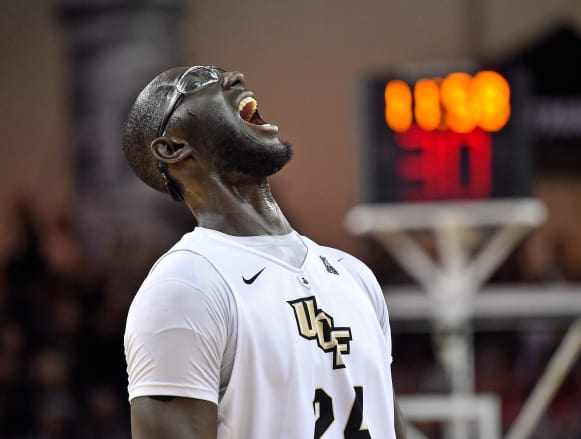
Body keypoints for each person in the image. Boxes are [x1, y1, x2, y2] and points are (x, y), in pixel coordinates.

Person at [121, 65, 407, 438]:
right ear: (173, 148)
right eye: (197, 82)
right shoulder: (183, 288)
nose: (233, 77)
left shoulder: (354, 275)